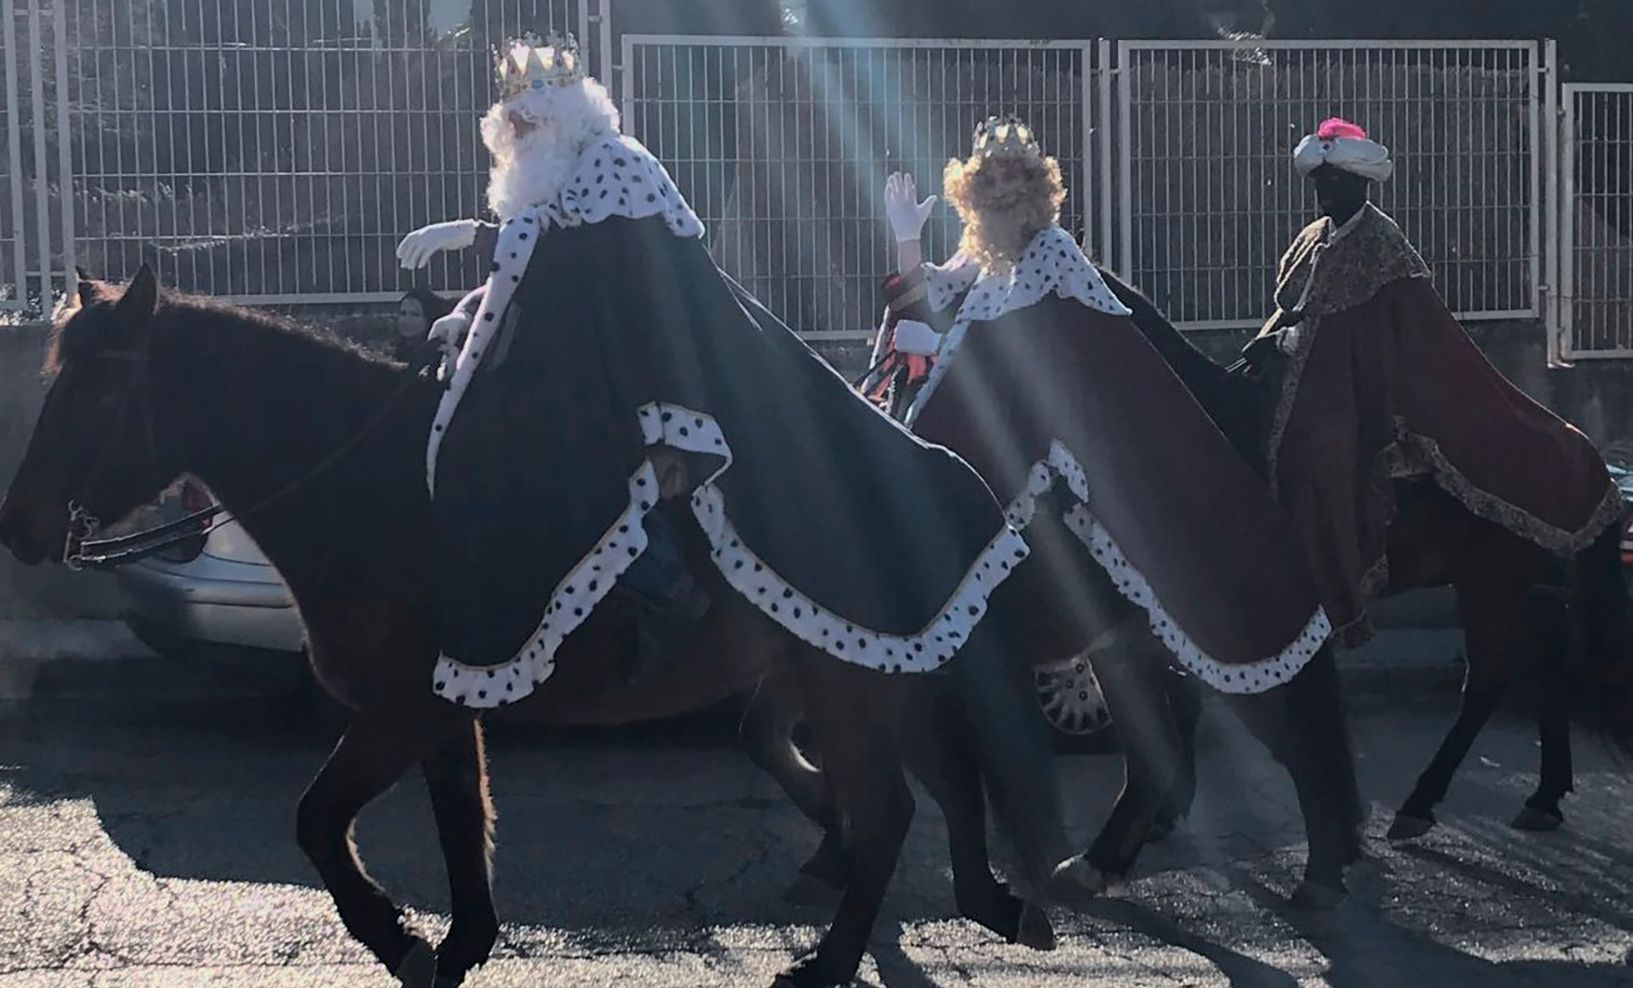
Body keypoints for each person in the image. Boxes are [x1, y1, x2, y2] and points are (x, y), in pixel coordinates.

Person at [391, 35, 1028, 709]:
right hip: (607, 368)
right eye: (513, 121)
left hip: (677, 367)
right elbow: (542, 273)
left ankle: (672, 601)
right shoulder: (560, 181)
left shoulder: (616, 164)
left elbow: (583, 259)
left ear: (570, 114)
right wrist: (466, 312)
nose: (520, 131)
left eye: (533, 117)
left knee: (621, 470)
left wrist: (472, 235)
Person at [880, 118, 1333, 704]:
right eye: (989, 178)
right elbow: (929, 295)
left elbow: (1060, 347)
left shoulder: (1053, 253)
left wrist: (949, 351)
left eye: (1012, 176)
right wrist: (907, 239)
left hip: (1052, 429)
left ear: (1034, 189)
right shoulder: (983, 253)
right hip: (995, 416)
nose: (1000, 189)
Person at [1242, 117, 1623, 645]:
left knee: (1315, 454)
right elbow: (1295, 309)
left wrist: (1305, 350)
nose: (1321, 192)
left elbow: (1412, 331)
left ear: (1358, 182)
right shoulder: (1312, 238)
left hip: (1366, 393)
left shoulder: (1383, 242)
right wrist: (1270, 341)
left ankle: (1336, 600)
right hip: (1305, 380)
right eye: (1317, 182)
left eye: (1331, 182)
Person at [391, 286, 454, 361]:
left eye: (414, 314)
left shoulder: (438, 355)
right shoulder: (392, 352)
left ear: (428, 319)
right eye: (403, 313)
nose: (406, 320)